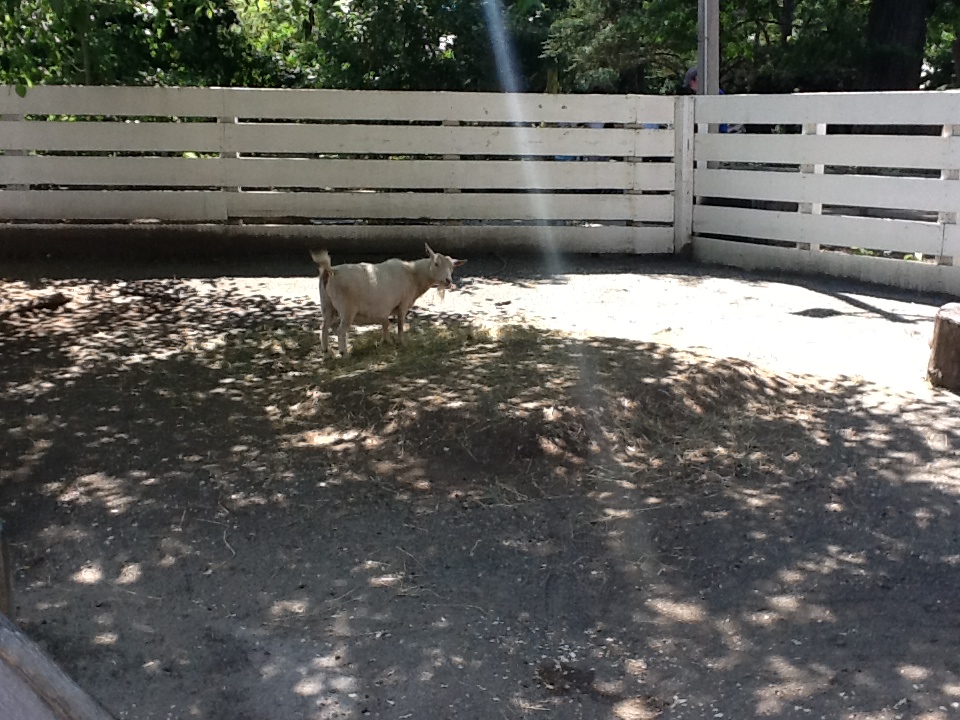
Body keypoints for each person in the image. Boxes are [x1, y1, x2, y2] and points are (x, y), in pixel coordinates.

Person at [681, 67, 745, 133]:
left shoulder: (716, 94)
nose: (691, 88)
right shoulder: (711, 93)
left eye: (691, 84)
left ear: (697, 80)